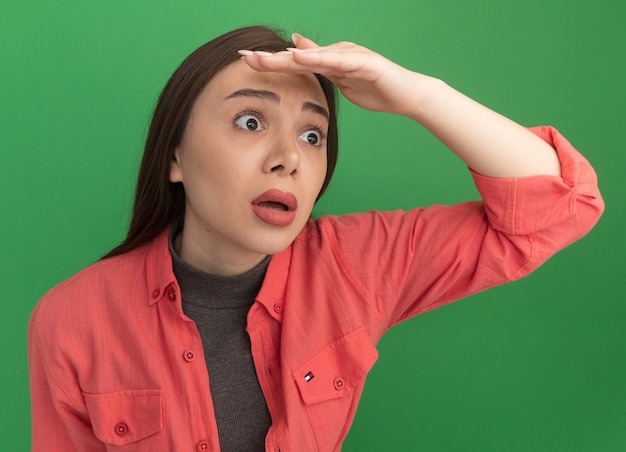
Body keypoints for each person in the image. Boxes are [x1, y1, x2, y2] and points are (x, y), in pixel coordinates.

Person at [28, 25, 604, 451]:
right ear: (174, 155)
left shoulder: (354, 265)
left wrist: (419, 95)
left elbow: (559, 206)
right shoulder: (72, 321)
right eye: (250, 122)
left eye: (312, 135)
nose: (289, 160)